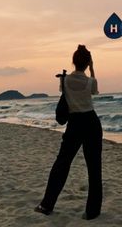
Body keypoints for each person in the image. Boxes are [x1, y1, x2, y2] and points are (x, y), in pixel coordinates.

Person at [36, 45, 102, 220]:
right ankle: (92, 211)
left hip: (74, 123)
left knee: (62, 163)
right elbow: (94, 91)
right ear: (88, 63)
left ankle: (46, 204)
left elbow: (65, 96)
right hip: (91, 122)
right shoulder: (91, 81)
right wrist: (93, 68)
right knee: (94, 168)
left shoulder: (64, 80)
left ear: (73, 62)